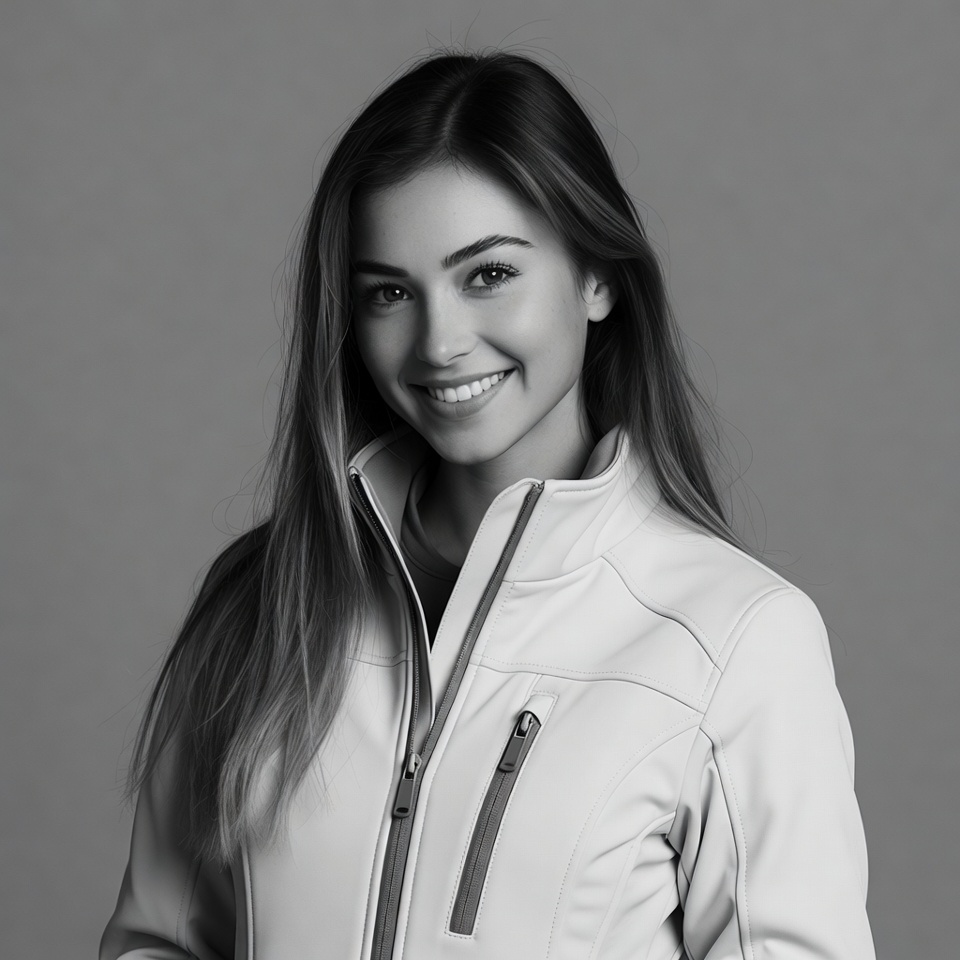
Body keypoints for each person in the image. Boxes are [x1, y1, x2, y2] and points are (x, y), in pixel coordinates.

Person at [101, 51, 875, 959]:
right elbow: (160, 942)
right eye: (390, 292)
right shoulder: (264, 602)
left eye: (488, 274)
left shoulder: (735, 641)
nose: (440, 341)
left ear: (596, 278)